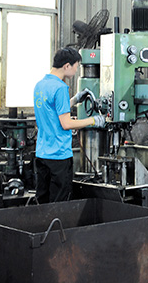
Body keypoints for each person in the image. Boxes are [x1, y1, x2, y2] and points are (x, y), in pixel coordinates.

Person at [34, 47, 104, 203]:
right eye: (76, 67)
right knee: (59, 203)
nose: (76, 71)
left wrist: (75, 99)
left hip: (42, 154)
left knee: (42, 200)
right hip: (59, 155)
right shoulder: (60, 88)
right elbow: (66, 124)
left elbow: (52, 110)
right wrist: (94, 120)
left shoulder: (40, 85)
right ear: (67, 66)